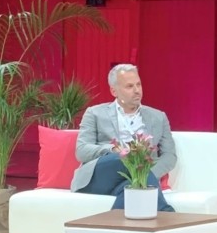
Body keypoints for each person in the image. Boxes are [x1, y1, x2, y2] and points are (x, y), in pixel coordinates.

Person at [73, 64, 176, 211]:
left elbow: (170, 156)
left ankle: (112, 225)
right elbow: (82, 151)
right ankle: (167, 212)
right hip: (99, 177)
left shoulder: (158, 117)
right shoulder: (94, 113)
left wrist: (144, 173)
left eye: (138, 84)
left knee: (130, 189)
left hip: (132, 179)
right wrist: (112, 150)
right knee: (125, 157)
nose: (137, 90)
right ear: (114, 91)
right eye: (129, 86)